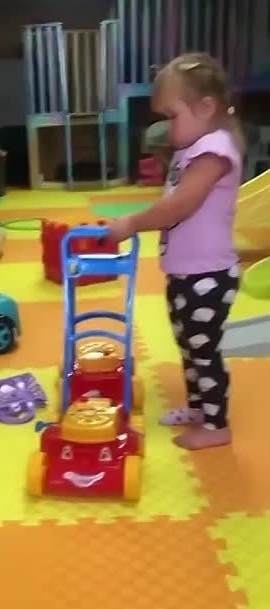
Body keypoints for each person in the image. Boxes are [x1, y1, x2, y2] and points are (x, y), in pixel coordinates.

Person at [109, 53, 243, 450]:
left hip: (208, 276)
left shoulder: (214, 149)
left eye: (172, 115)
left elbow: (180, 206)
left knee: (204, 351)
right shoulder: (193, 148)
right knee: (188, 346)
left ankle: (217, 426)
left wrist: (132, 223)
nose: (167, 127)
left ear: (206, 107)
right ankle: (200, 410)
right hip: (185, 272)